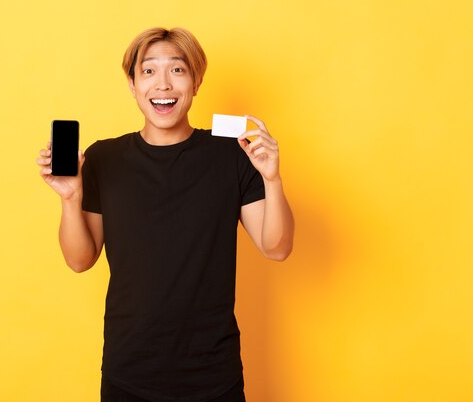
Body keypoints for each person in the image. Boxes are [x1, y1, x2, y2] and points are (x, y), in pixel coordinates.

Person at [36, 27, 294, 402]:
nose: (163, 84)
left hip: (213, 374)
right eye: (149, 71)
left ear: (196, 81)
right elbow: (79, 260)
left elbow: (277, 248)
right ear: (132, 83)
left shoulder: (231, 154)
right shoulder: (104, 159)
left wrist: (272, 179)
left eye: (177, 70)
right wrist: (70, 197)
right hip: (130, 372)